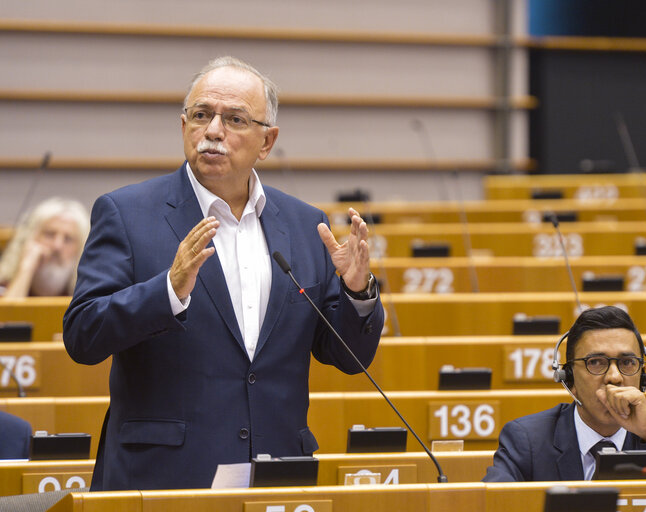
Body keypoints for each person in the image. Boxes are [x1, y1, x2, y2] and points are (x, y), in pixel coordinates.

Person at [62, 56, 384, 491]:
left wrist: (356, 291)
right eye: (201, 116)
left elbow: (347, 357)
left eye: (234, 119)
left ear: (267, 142)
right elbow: (83, 335)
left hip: (275, 476)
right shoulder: (126, 213)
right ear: (183, 127)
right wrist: (167, 291)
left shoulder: (307, 225)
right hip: (163, 481)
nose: (213, 131)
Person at [483, 306, 646, 482]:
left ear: (643, 377)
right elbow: (494, 502)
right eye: (595, 362)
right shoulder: (528, 441)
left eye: (627, 363)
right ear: (569, 379)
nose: (614, 377)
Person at [0, 197, 89, 298]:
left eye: (68, 239)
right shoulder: (3, 287)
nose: (57, 246)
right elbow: (7, 313)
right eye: (50, 234)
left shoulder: (86, 295)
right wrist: (26, 268)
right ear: (29, 238)